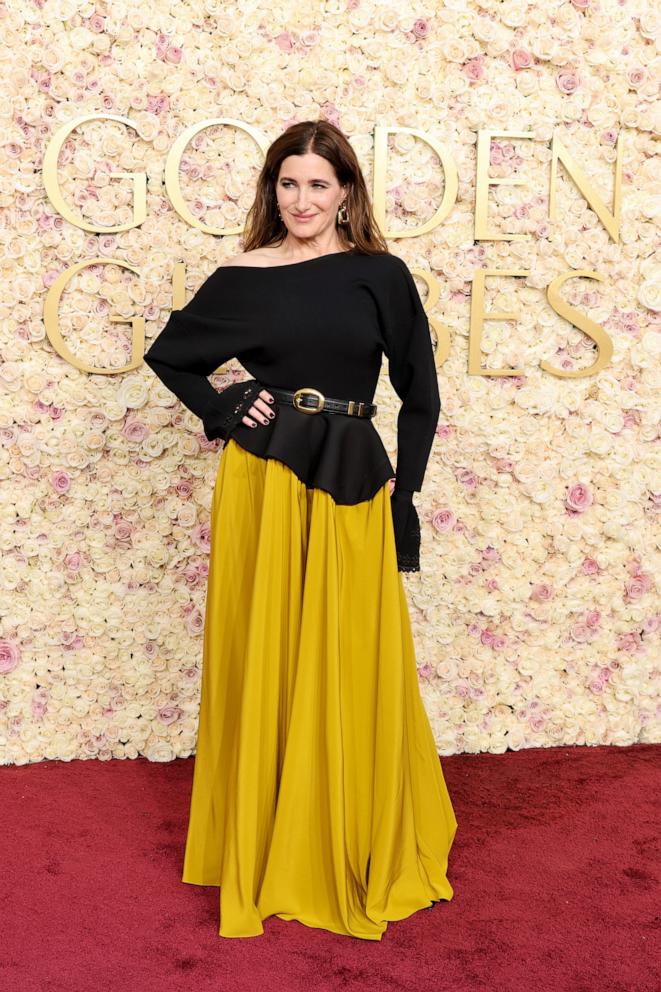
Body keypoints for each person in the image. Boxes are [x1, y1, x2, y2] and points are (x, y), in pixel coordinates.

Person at [143, 119, 458, 941]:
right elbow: (170, 356)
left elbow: (419, 395)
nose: (302, 199)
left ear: (346, 192)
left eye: (319, 184)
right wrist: (223, 405)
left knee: (346, 655)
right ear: (270, 189)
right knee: (267, 651)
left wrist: (406, 495)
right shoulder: (241, 274)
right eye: (288, 183)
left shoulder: (379, 276)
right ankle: (268, 837)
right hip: (264, 479)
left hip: (352, 479)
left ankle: (342, 837)